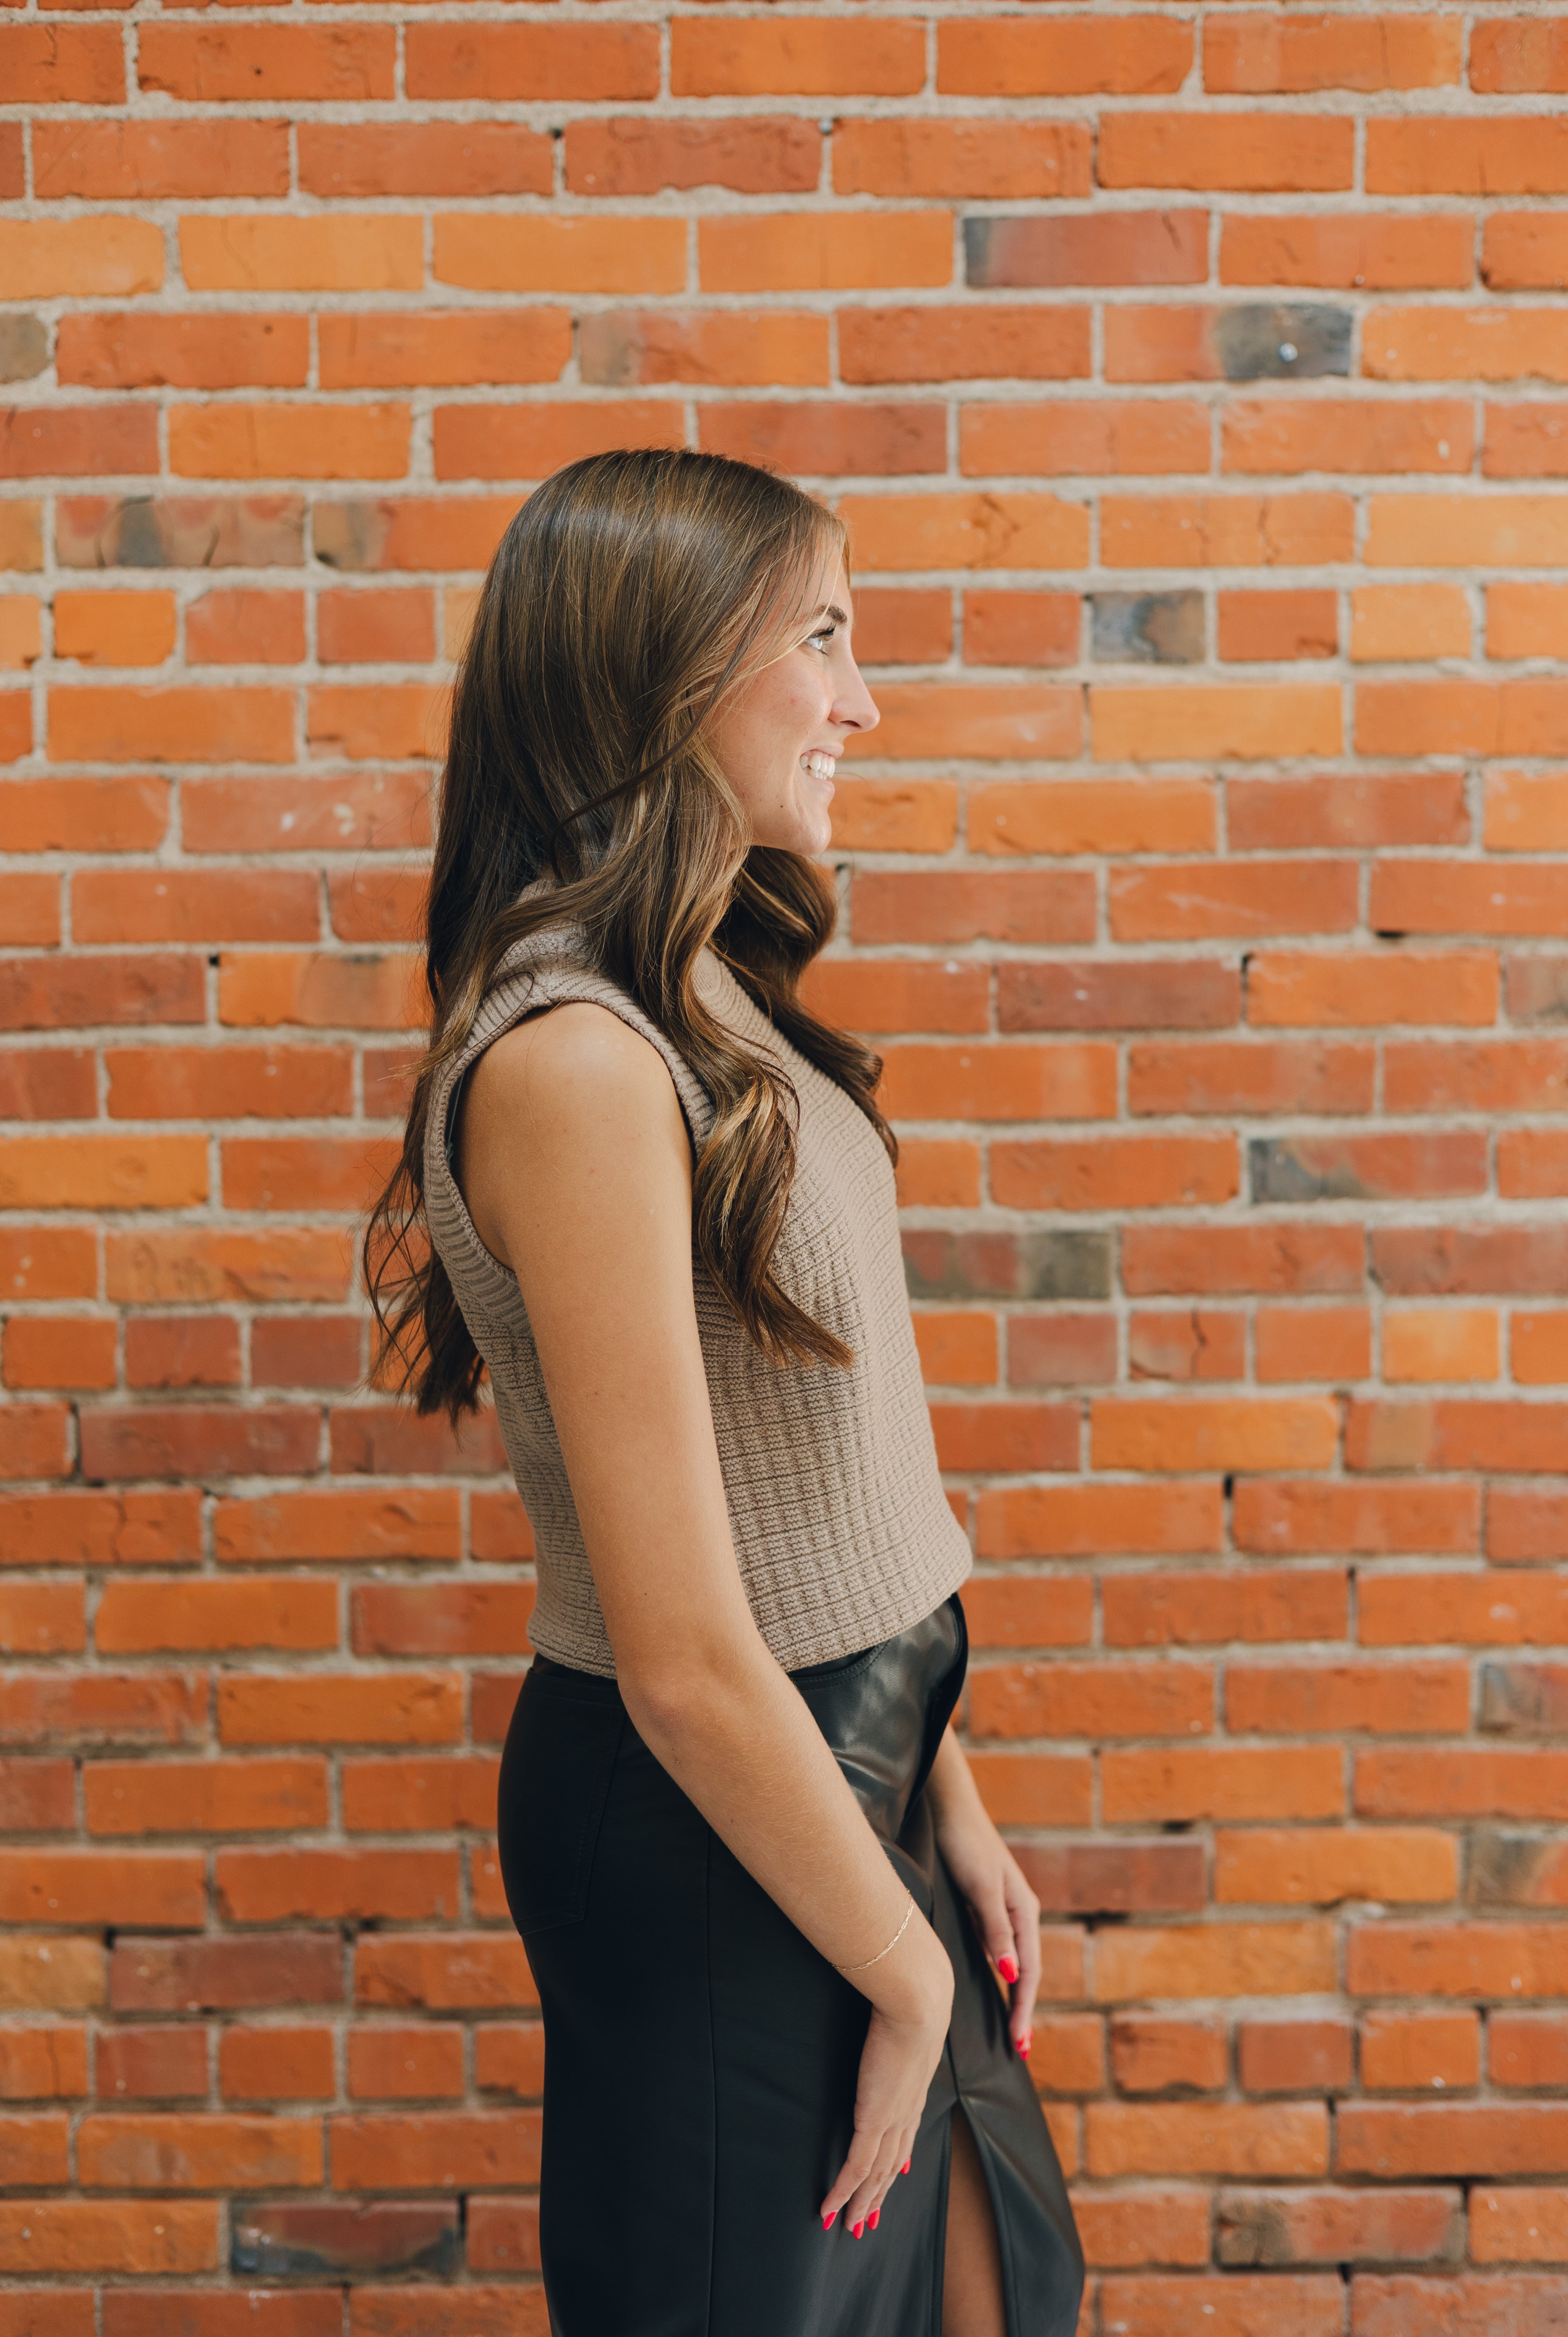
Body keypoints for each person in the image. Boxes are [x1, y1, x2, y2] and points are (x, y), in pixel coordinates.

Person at [365, 447, 1084, 2337]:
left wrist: (949, 1790)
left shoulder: (708, 991)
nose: (862, 698)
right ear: (670, 673)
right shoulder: (575, 1060)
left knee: (989, 2292)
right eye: (822, 640)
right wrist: (908, 1973)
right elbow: (688, 1647)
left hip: (853, 1773)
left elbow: (820, 1480)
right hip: (710, 1820)